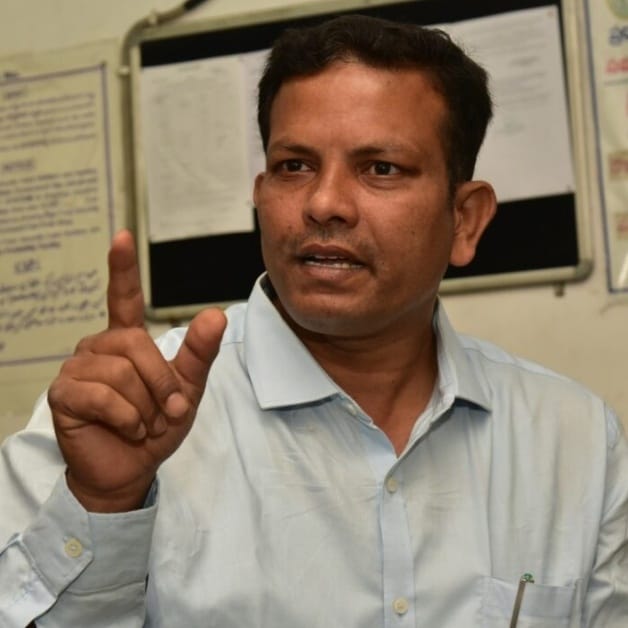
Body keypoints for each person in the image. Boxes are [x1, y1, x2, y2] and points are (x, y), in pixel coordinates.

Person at [0, 13, 626, 628]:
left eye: (381, 168)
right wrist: (105, 504)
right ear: (260, 193)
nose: (324, 203)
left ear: (464, 220)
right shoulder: (125, 410)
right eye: (294, 166)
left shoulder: (573, 441)